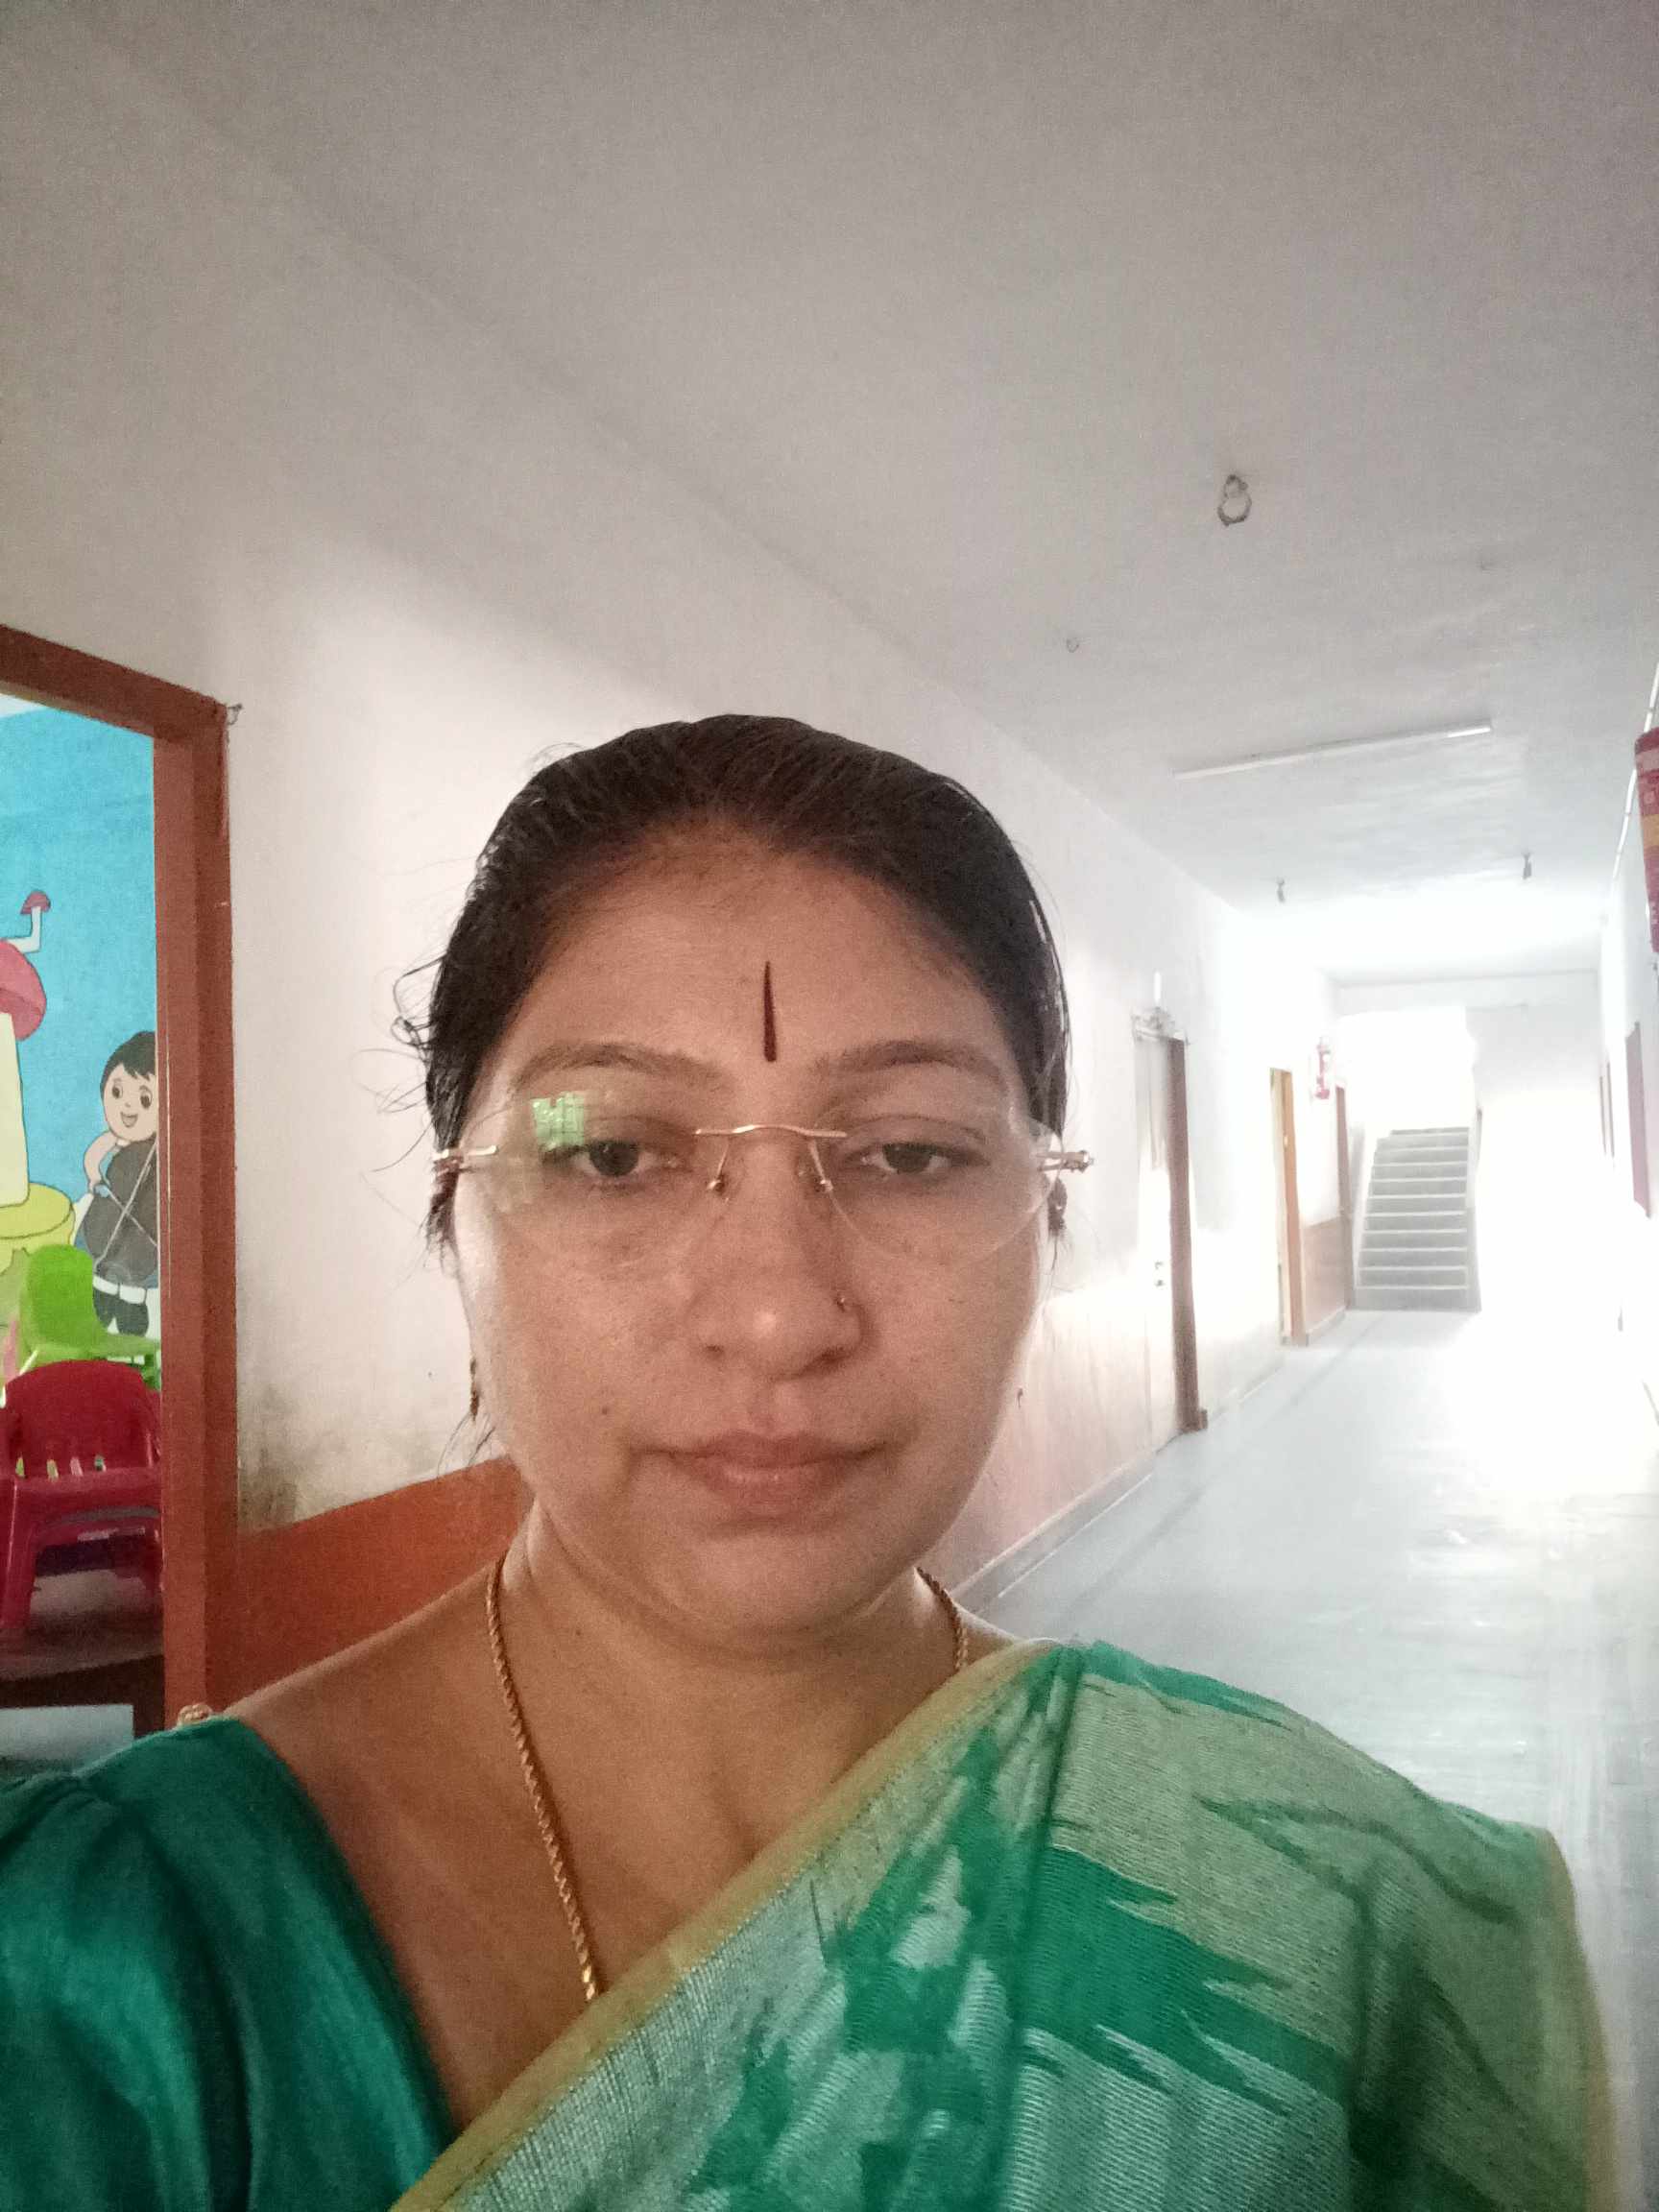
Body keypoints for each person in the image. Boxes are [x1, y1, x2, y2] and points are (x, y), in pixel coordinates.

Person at [0, 717, 1610, 2209]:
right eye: (612, 1152)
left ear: (1045, 1212)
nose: (777, 1313)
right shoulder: (110, 1968)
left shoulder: (1329, 1922)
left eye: (909, 1152)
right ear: (453, 1214)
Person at [76, 1028, 161, 1336]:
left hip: (145, 1219)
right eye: (117, 1092)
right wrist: (94, 1176)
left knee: (137, 1263)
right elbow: (94, 1156)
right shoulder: (118, 1139)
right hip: (109, 1212)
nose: (127, 1107)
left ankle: (132, 1305)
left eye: (144, 1099)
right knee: (104, 1250)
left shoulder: (160, 1149)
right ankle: (103, 1294)